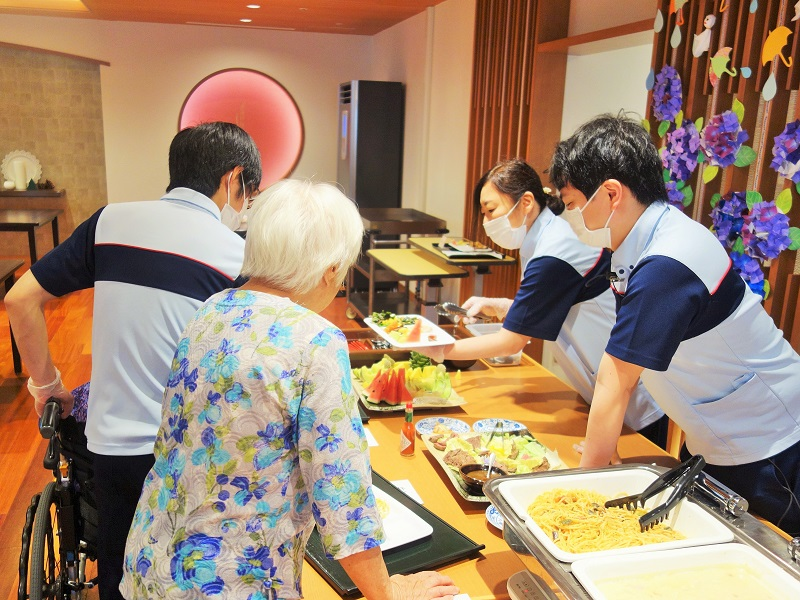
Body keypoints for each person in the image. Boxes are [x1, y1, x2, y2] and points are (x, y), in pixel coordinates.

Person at [119, 180, 459, 600]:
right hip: (230, 581)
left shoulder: (210, 309)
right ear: (330, 268)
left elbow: (171, 437)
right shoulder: (316, 340)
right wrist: (390, 595)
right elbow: (343, 498)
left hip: (152, 559)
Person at [6, 121, 262, 600]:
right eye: (250, 193)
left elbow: (20, 300)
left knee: (119, 576)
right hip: (191, 454)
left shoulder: (109, 222)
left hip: (111, 448)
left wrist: (47, 386)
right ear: (233, 180)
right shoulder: (238, 256)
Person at [549, 113, 800, 535]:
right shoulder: (638, 240)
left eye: (573, 204)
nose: (572, 217)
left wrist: (583, 491)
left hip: (769, 443)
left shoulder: (668, 260)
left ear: (611, 193)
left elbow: (617, 377)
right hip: (717, 435)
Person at [419, 159, 666, 448]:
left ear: (526, 202)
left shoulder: (554, 249)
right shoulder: (543, 237)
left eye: (491, 210)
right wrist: (500, 305)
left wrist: (441, 349)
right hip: (602, 383)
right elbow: (552, 303)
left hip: (633, 399)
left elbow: (512, 342)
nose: (487, 222)